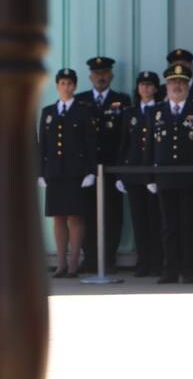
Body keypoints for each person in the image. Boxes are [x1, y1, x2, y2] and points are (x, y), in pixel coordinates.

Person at [37, 68, 96, 277]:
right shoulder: (48, 112)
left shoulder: (83, 110)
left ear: (75, 86)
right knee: (58, 218)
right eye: (62, 83)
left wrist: (91, 171)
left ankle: (73, 264)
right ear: (57, 86)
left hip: (76, 173)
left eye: (70, 83)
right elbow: (42, 144)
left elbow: (90, 143)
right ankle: (60, 264)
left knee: (75, 218)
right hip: (53, 172)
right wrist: (40, 172)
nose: (66, 87)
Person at [74, 55, 130, 272]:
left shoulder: (122, 100)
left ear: (111, 75)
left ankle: (109, 258)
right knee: (88, 214)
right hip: (87, 169)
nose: (101, 77)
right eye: (97, 73)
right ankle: (90, 259)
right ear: (90, 76)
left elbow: (126, 136)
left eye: (105, 73)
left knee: (113, 216)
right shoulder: (80, 100)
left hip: (112, 168)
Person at [152, 64, 193, 284]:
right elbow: (149, 148)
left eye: (181, 82)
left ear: (187, 86)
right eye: (173, 82)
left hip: (191, 179)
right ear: (166, 86)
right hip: (165, 179)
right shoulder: (156, 111)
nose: (177, 86)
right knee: (168, 227)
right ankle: (170, 270)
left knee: (189, 225)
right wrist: (150, 177)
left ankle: (189, 269)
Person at [117, 71, 163, 277]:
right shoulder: (130, 113)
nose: (145, 88)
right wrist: (120, 174)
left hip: (154, 174)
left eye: (149, 85)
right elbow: (123, 144)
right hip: (134, 174)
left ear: (155, 88)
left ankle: (157, 262)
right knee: (139, 221)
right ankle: (142, 262)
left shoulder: (161, 110)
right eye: (142, 85)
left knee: (156, 220)